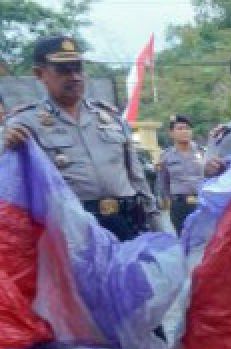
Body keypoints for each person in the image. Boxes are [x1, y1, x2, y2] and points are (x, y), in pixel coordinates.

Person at [3, 35, 164, 240]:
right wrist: (5, 144)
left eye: (78, 68)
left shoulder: (110, 118)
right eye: (63, 70)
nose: (74, 76)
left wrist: (158, 227)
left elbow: (137, 177)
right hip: (69, 230)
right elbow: (10, 182)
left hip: (125, 222)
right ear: (39, 73)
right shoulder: (25, 123)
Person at [155, 114, 206, 232]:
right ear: (171, 133)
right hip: (179, 206)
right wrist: (168, 202)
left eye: (187, 128)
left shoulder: (203, 153)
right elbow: (163, 182)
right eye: (180, 128)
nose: (184, 131)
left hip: (201, 203)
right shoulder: (166, 156)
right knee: (184, 241)